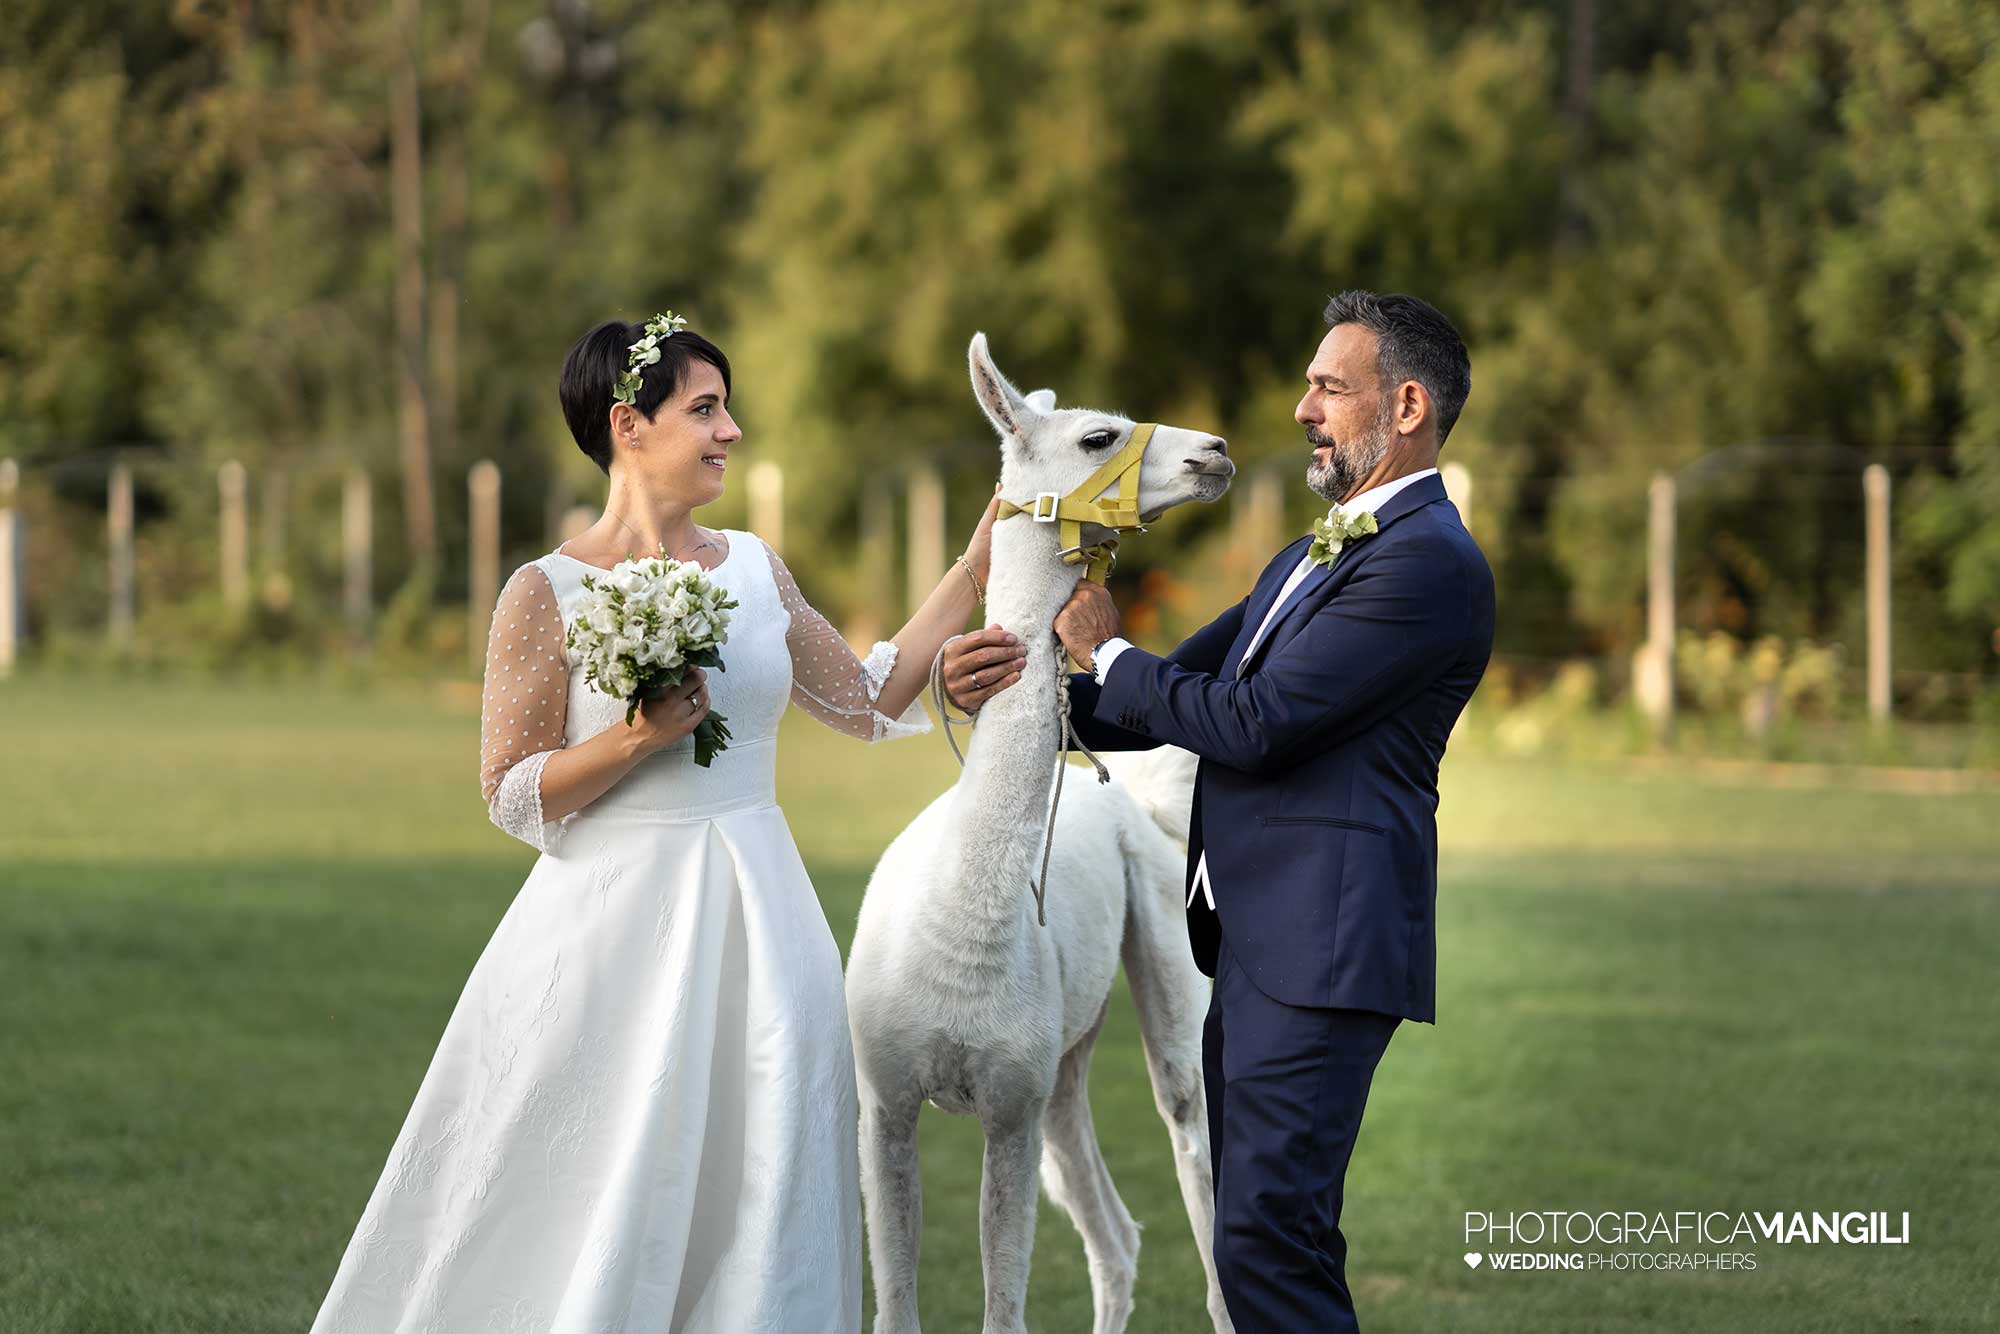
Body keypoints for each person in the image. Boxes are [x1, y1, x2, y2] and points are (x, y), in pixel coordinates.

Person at [311, 315, 998, 1333]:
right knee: (593, 1188)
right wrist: (635, 739)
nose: (729, 431)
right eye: (704, 409)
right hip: (610, 938)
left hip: (763, 929)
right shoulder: (543, 591)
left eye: (726, 409)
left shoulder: (756, 567)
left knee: (764, 1178)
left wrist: (981, 561)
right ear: (628, 424)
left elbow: (859, 698)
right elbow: (508, 787)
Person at [942, 290, 1495, 1332]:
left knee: (1264, 1239)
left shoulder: (1426, 565)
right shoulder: (1308, 556)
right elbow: (1140, 708)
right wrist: (1005, 687)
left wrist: (1105, 644)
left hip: (1321, 947)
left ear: (1407, 405)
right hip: (1250, 940)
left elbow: (1250, 721)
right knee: (1263, 1236)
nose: (1300, 408)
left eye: (1330, 386)